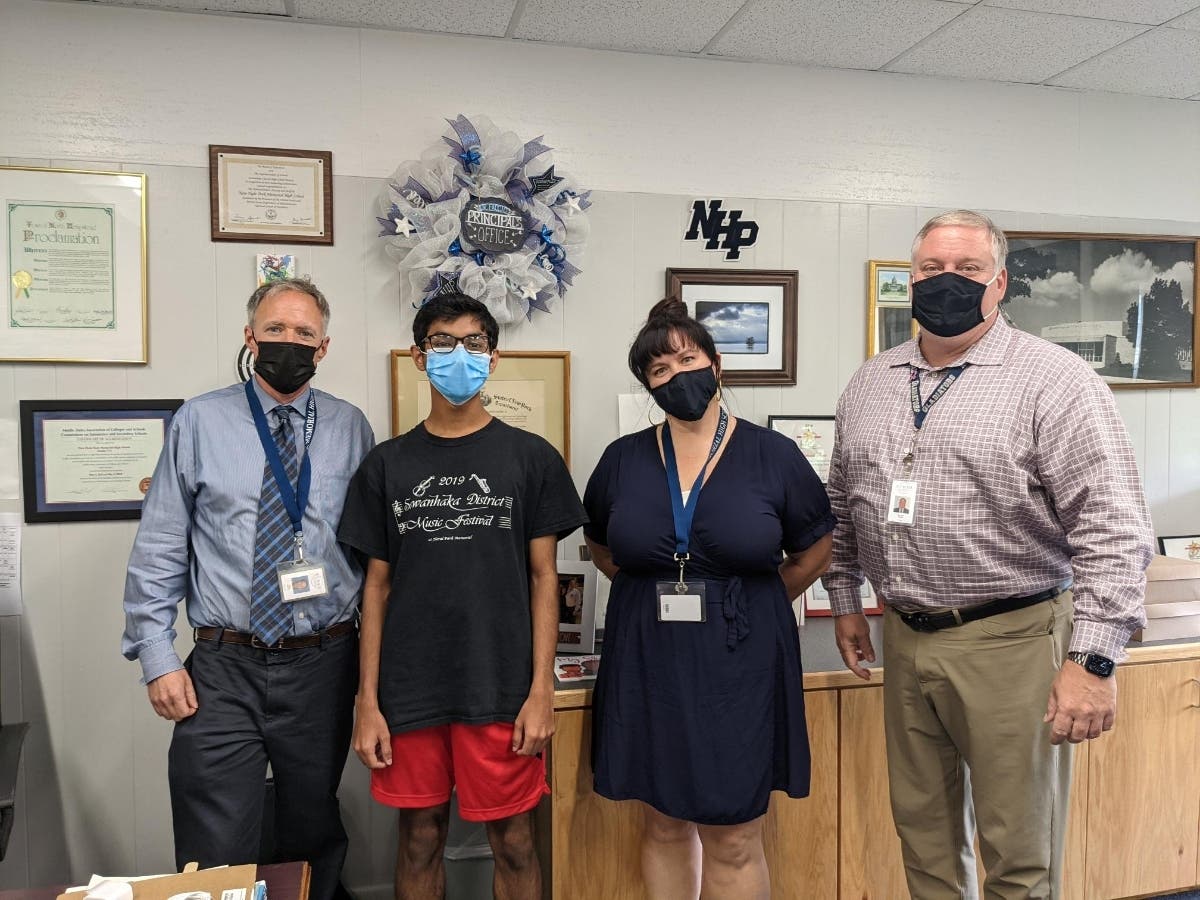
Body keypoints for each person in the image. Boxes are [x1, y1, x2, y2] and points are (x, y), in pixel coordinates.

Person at [824, 210, 1153, 899]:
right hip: (907, 637)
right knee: (924, 838)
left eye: (967, 270)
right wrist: (848, 601)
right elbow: (843, 501)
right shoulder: (872, 382)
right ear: (908, 279)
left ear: (999, 283)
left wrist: (1093, 661)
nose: (946, 282)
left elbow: (1114, 529)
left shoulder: (1055, 381)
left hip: (1016, 641)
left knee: (1020, 852)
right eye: (930, 270)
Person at [122, 278, 374, 900]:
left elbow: (373, 559)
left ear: (324, 346)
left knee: (311, 828)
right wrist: (156, 657)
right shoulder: (199, 421)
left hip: (325, 660)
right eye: (276, 330)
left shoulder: (350, 427)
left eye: (304, 333)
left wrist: (375, 675)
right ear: (250, 337)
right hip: (223, 662)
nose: (289, 342)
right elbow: (158, 548)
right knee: (216, 835)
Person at [583, 297, 835, 899]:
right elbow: (601, 546)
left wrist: (754, 601)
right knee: (664, 820)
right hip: (649, 654)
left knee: (734, 831)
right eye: (658, 372)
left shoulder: (772, 455)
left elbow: (815, 549)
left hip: (741, 658)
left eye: (686, 360)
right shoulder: (623, 460)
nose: (675, 377)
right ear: (647, 385)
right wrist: (658, 592)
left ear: (716, 363)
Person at [338, 292, 586, 900]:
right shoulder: (385, 465)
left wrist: (541, 691)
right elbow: (376, 586)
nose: (459, 356)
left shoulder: (531, 459)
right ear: (420, 359)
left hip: (500, 687)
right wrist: (366, 701)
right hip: (409, 688)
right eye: (443, 344)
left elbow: (544, 579)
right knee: (419, 837)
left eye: (474, 344)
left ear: (492, 359)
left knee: (516, 840)